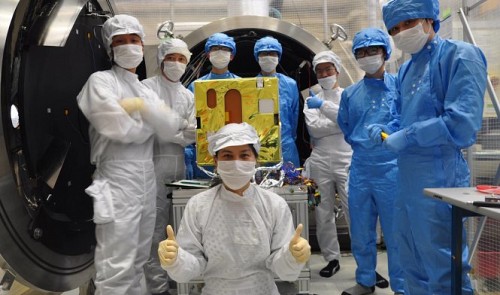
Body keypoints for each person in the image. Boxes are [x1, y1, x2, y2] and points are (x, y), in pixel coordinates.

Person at [367, 0, 487, 293]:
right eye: (394, 28)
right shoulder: (407, 69)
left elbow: (463, 122)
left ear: (430, 19)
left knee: (443, 264)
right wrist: (388, 130)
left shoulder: (460, 55)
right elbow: (402, 117)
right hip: (406, 178)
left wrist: (409, 135)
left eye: (408, 23)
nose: (401, 32)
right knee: (411, 262)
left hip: (440, 174)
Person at [76, 15, 181, 294]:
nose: (128, 46)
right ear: (110, 48)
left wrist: (140, 109)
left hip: (146, 179)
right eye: (120, 41)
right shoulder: (100, 81)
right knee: (116, 267)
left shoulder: (141, 88)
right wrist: (149, 118)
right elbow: (116, 126)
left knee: (138, 262)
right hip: (117, 180)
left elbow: (171, 125)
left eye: (134, 40)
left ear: (142, 44)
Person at [158, 123, 311, 294]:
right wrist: (176, 260)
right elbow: (192, 265)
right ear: (216, 162)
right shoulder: (199, 205)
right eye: (228, 156)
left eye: (244, 155)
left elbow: (282, 270)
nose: (236, 163)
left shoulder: (274, 205)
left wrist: (292, 256)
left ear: (256, 160)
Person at [337, 28, 404, 295]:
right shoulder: (351, 94)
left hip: (393, 167)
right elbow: (346, 126)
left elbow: (410, 120)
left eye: (373, 51)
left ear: (385, 53)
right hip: (362, 167)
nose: (367, 57)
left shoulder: (399, 85)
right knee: (362, 230)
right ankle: (366, 280)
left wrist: (391, 135)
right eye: (361, 53)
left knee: (396, 232)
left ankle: (401, 285)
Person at [142, 38, 196, 295]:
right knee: (154, 231)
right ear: (162, 59)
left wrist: (170, 128)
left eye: (181, 59)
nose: (176, 63)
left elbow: (195, 133)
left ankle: (178, 279)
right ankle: (157, 287)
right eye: (171, 58)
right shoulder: (145, 88)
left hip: (178, 167)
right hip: (149, 165)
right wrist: (179, 127)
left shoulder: (187, 95)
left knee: (179, 227)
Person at [303, 51, 352, 278]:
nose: (324, 74)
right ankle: (331, 258)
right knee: (322, 212)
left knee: (355, 210)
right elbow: (314, 129)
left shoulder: (349, 95)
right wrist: (340, 120)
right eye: (320, 70)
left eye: (328, 69)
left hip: (347, 158)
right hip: (320, 161)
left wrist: (326, 111)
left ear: (337, 70)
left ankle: (365, 261)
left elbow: (349, 121)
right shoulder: (309, 96)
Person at [185, 32, 240, 179]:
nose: (220, 52)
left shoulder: (243, 86)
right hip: (204, 155)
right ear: (208, 54)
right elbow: (189, 124)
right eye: (215, 49)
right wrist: (189, 154)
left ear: (232, 55)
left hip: (234, 152)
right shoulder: (196, 86)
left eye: (225, 49)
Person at [254, 36, 300, 167]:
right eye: (264, 53)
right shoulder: (251, 85)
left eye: (272, 53)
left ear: (278, 57)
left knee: (289, 186)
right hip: (261, 146)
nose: (268, 57)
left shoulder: (290, 84)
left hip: (287, 146)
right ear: (257, 57)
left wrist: (287, 139)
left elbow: (294, 117)